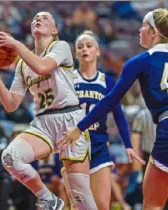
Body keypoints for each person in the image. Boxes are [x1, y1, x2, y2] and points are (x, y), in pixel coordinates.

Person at [58, 8, 168, 210]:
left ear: (153, 33)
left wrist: (79, 128)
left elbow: (110, 101)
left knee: (153, 205)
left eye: (144, 26)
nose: (140, 29)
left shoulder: (140, 61)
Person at [0, 11, 97, 210]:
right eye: (35, 18)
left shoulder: (61, 47)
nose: (38, 19)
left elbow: (43, 67)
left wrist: (16, 44)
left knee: (81, 198)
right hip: (43, 123)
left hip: (70, 121)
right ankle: (48, 199)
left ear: (54, 30)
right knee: (10, 157)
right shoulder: (22, 65)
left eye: (44, 18)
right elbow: (11, 104)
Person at [60, 30, 142, 210]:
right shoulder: (68, 79)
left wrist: (128, 145)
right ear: (75, 54)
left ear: (97, 51)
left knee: (103, 206)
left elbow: (119, 115)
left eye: (89, 46)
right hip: (75, 146)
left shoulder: (108, 81)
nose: (84, 49)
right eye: (80, 47)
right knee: (79, 206)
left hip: (99, 145)